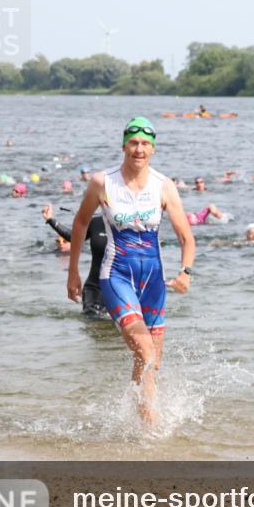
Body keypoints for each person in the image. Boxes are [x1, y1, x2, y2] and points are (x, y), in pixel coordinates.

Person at [66, 117, 195, 425]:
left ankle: (140, 418)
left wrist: (186, 271)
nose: (139, 149)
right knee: (146, 350)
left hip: (153, 280)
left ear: (153, 149)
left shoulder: (164, 186)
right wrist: (73, 272)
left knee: (153, 360)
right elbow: (81, 223)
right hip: (117, 276)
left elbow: (186, 237)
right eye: (134, 143)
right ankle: (151, 430)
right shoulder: (103, 182)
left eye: (145, 144)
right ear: (124, 145)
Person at [42, 204, 107, 319]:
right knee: (96, 326)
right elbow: (73, 237)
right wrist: (51, 220)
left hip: (126, 288)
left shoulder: (137, 225)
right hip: (94, 289)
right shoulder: (96, 222)